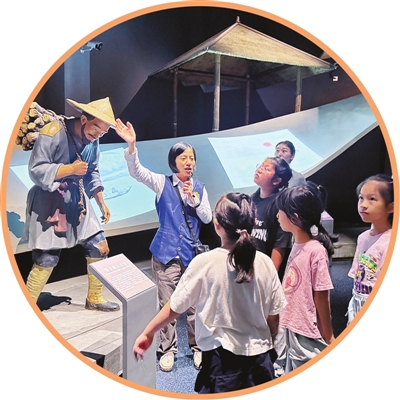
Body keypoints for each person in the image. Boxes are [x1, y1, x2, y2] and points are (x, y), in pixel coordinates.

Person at [133, 192, 287, 393]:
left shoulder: (204, 263)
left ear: (217, 225)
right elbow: (274, 318)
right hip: (261, 361)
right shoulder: (265, 262)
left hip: (221, 363)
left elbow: (174, 307)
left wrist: (148, 332)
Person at [114, 118, 212, 372]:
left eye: (192, 158)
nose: (189, 162)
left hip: (192, 256)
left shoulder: (200, 188)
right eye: (183, 158)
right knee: (167, 304)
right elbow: (137, 172)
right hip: (165, 253)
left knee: (194, 305)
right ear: (173, 161)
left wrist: (194, 199)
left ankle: (198, 347)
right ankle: (167, 349)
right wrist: (131, 146)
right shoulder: (161, 182)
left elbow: (207, 218)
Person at [23, 97, 120, 312]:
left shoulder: (93, 141)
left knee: (99, 246)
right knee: (47, 257)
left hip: (77, 199)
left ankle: (94, 297)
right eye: (96, 128)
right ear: (84, 119)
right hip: (49, 200)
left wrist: (101, 202)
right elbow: (36, 170)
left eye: (103, 132)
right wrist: (69, 170)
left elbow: (92, 171)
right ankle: (27, 303)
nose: (98, 134)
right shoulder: (53, 131)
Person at [275, 181, 335, 373]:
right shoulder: (297, 244)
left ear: (295, 217)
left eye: (280, 211)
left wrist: (329, 335)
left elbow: (321, 296)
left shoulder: (315, 251)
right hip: (291, 324)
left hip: (306, 330)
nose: (277, 216)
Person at [347, 174, 394, 324]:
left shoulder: (390, 242)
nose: (363, 204)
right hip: (357, 302)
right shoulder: (363, 238)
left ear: (391, 206)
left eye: (372, 199)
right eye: (361, 198)